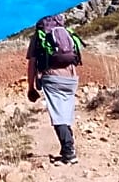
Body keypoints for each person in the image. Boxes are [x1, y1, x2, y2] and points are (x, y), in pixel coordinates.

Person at [26, 13, 82, 165]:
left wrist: (31, 87)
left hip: (52, 78)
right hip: (71, 78)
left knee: (58, 115)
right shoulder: (66, 33)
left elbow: (32, 64)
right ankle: (67, 149)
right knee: (66, 112)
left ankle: (69, 151)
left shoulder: (38, 37)